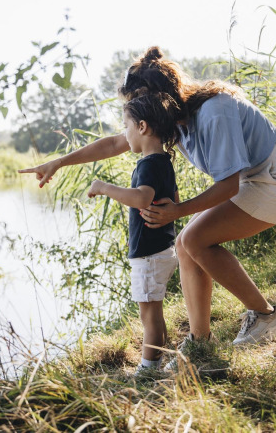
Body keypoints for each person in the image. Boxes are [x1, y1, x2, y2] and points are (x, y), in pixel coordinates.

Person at [19, 46, 276, 360]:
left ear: (159, 94)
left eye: (138, 100)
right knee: (188, 244)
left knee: (193, 239)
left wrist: (178, 210)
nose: (137, 110)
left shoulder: (215, 110)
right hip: (257, 177)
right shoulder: (171, 121)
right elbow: (118, 142)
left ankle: (266, 318)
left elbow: (229, 185)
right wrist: (59, 162)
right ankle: (200, 341)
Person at [86, 90, 181, 373]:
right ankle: (156, 362)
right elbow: (175, 200)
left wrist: (103, 187)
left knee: (149, 316)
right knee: (153, 313)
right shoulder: (163, 161)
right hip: (160, 249)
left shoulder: (150, 164)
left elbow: (141, 198)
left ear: (142, 127)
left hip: (150, 254)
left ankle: (148, 370)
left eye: (126, 126)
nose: (125, 134)